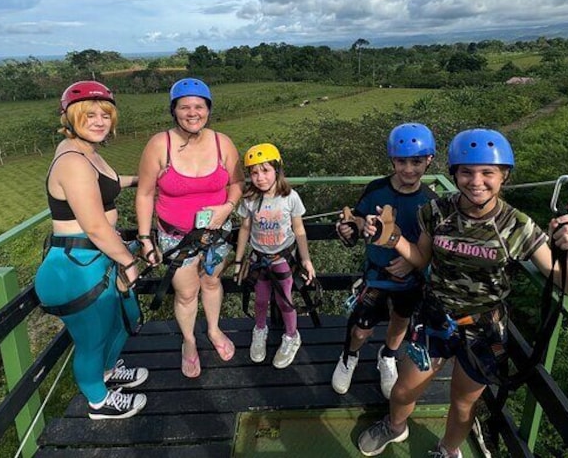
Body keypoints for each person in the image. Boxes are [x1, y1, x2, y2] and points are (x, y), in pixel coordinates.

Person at [356, 128, 568, 457]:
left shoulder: (517, 227)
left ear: (503, 176)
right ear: (455, 174)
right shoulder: (436, 212)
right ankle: (395, 427)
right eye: (466, 172)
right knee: (404, 389)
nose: (476, 181)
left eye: (487, 173)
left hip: (483, 328)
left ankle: (448, 449)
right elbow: (422, 259)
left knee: (463, 404)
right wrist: (391, 237)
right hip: (435, 318)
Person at [35, 80, 149, 420]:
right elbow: (97, 226)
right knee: (92, 339)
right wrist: (128, 261)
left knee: (120, 321)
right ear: (70, 118)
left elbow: (110, 182)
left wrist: (147, 179)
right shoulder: (73, 161)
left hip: (96, 259)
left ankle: (109, 373)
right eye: (90, 115)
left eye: (105, 114)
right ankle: (99, 401)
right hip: (78, 263)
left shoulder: (90, 154)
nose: (100, 121)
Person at [135, 78, 244, 378]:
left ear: (208, 110)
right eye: (185, 107)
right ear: (174, 111)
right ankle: (189, 341)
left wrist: (227, 207)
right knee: (185, 293)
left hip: (216, 233)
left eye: (199, 106)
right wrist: (145, 238)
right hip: (175, 236)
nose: (192, 113)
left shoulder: (223, 143)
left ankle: (213, 329)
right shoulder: (160, 145)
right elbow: (144, 193)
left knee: (211, 282)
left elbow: (237, 183)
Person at [332, 123, 439, 399]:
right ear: (392, 160)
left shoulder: (430, 202)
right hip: (377, 274)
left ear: (429, 160)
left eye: (416, 162)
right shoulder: (376, 190)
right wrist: (351, 227)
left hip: (410, 278)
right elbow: (358, 217)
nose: (408, 169)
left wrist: (413, 263)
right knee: (360, 330)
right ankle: (349, 355)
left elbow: (434, 246)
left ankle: (388, 356)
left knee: (400, 322)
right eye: (401, 161)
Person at [233, 143, 316, 369]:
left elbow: (299, 230)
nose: (260, 177)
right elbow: (245, 229)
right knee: (260, 299)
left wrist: (306, 259)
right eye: (254, 172)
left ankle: (291, 336)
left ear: (277, 170)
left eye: (265, 170)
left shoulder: (290, 197)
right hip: (259, 259)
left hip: (282, 259)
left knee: (285, 301)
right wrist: (239, 260)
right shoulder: (250, 199)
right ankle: (260, 329)